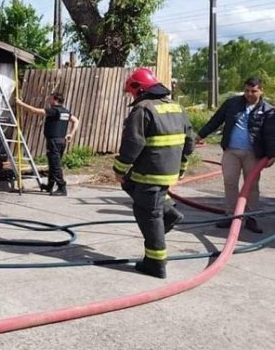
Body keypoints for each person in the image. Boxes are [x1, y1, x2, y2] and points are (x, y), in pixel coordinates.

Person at [114, 68, 194, 279]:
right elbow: (189, 141)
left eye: (132, 92)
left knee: (148, 215)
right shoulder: (177, 108)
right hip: (168, 172)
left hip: (149, 173)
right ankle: (169, 212)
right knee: (129, 184)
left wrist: (119, 169)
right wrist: (182, 167)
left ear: (139, 89)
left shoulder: (143, 109)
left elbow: (133, 143)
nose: (132, 96)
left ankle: (156, 263)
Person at [196, 76, 275, 234]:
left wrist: (272, 154)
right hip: (231, 151)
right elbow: (215, 121)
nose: (249, 94)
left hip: (254, 154)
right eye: (247, 90)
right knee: (230, 182)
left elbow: (270, 134)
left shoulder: (268, 110)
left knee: (251, 186)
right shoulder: (232, 104)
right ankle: (231, 215)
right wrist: (200, 135)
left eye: (253, 91)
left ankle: (251, 217)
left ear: (261, 90)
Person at [15, 91, 79, 196]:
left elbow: (34, 111)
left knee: (55, 165)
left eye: (50, 98)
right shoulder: (65, 112)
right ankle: (50, 185)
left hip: (54, 141)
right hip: (61, 141)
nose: (49, 100)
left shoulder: (53, 111)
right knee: (53, 164)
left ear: (55, 100)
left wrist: (20, 103)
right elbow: (76, 121)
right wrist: (71, 134)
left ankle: (62, 188)